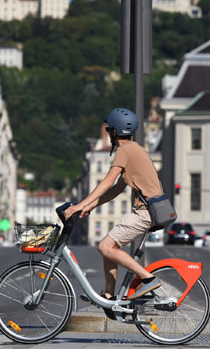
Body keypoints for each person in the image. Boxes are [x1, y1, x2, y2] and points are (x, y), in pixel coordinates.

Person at [64, 108, 163, 306]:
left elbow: (107, 182)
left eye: (110, 130)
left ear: (115, 132)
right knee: (110, 245)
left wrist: (79, 205)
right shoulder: (135, 149)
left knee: (105, 246)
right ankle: (109, 296)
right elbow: (117, 189)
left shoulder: (124, 151)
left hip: (146, 212)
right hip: (151, 210)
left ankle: (148, 279)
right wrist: (90, 205)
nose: (109, 134)